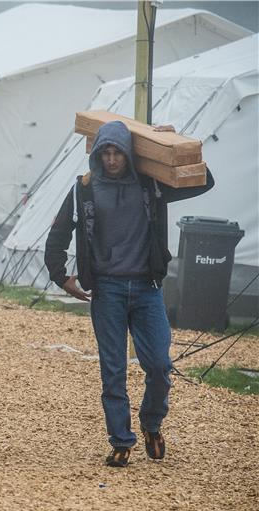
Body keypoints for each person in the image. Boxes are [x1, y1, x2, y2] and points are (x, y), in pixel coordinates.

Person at [44, 120, 214, 467]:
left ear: (128, 154)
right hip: (106, 290)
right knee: (113, 371)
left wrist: (173, 143)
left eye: (117, 152)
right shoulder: (85, 188)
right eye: (104, 152)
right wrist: (61, 277)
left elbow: (204, 181)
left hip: (146, 288)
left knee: (160, 365)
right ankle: (121, 441)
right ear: (96, 153)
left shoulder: (152, 184)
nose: (110, 159)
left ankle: (151, 423)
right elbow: (58, 233)